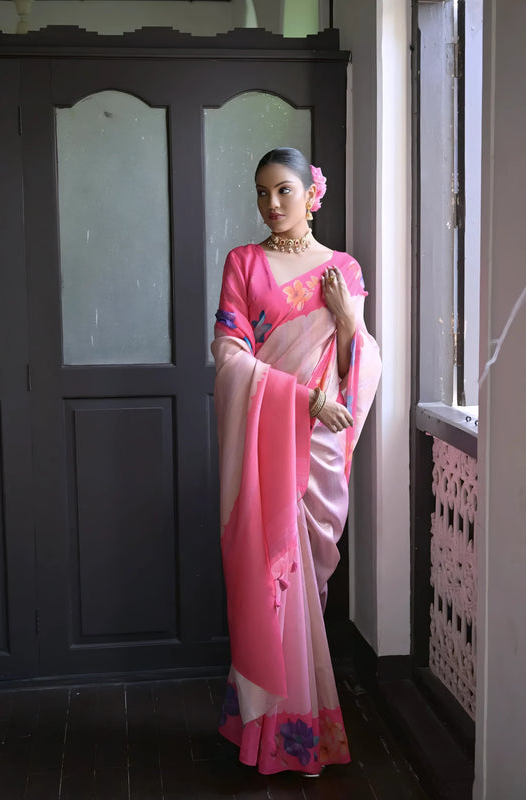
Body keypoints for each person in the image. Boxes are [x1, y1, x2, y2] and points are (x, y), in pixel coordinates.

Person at [212, 147, 381, 776]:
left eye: (283, 190)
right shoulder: (243, 263)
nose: (271, 205)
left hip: (321, 447)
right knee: (267, 581)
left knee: (307, 579)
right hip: (268, 440)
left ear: (313, 193)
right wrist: (301, 397)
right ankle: (264, 728)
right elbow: (231, 359)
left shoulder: (343, 269)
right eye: (261, 193)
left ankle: (302, 727)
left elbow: (355, 366)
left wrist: (343, 318)